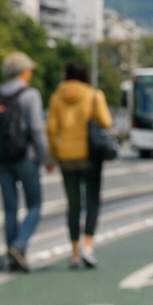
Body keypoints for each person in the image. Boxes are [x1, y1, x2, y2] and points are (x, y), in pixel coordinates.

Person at [0, 52, 50, 272]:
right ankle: (19, 245)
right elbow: (37, 130)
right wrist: (46, 158)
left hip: (1, 158)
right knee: (35, 204)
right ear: (23, 71)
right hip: (25, 157)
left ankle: (11, 255)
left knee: (9, 208)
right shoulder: (29, 95)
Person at [46, 59, 113, 269]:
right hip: (90, 156)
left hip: (66, 157)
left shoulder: (56, 98)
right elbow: (106, 122)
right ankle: (88, 244)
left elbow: (50, 129)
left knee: (73, 205)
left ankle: (74, 254)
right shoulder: (94, 95)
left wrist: (55, 154)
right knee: (92, 202)